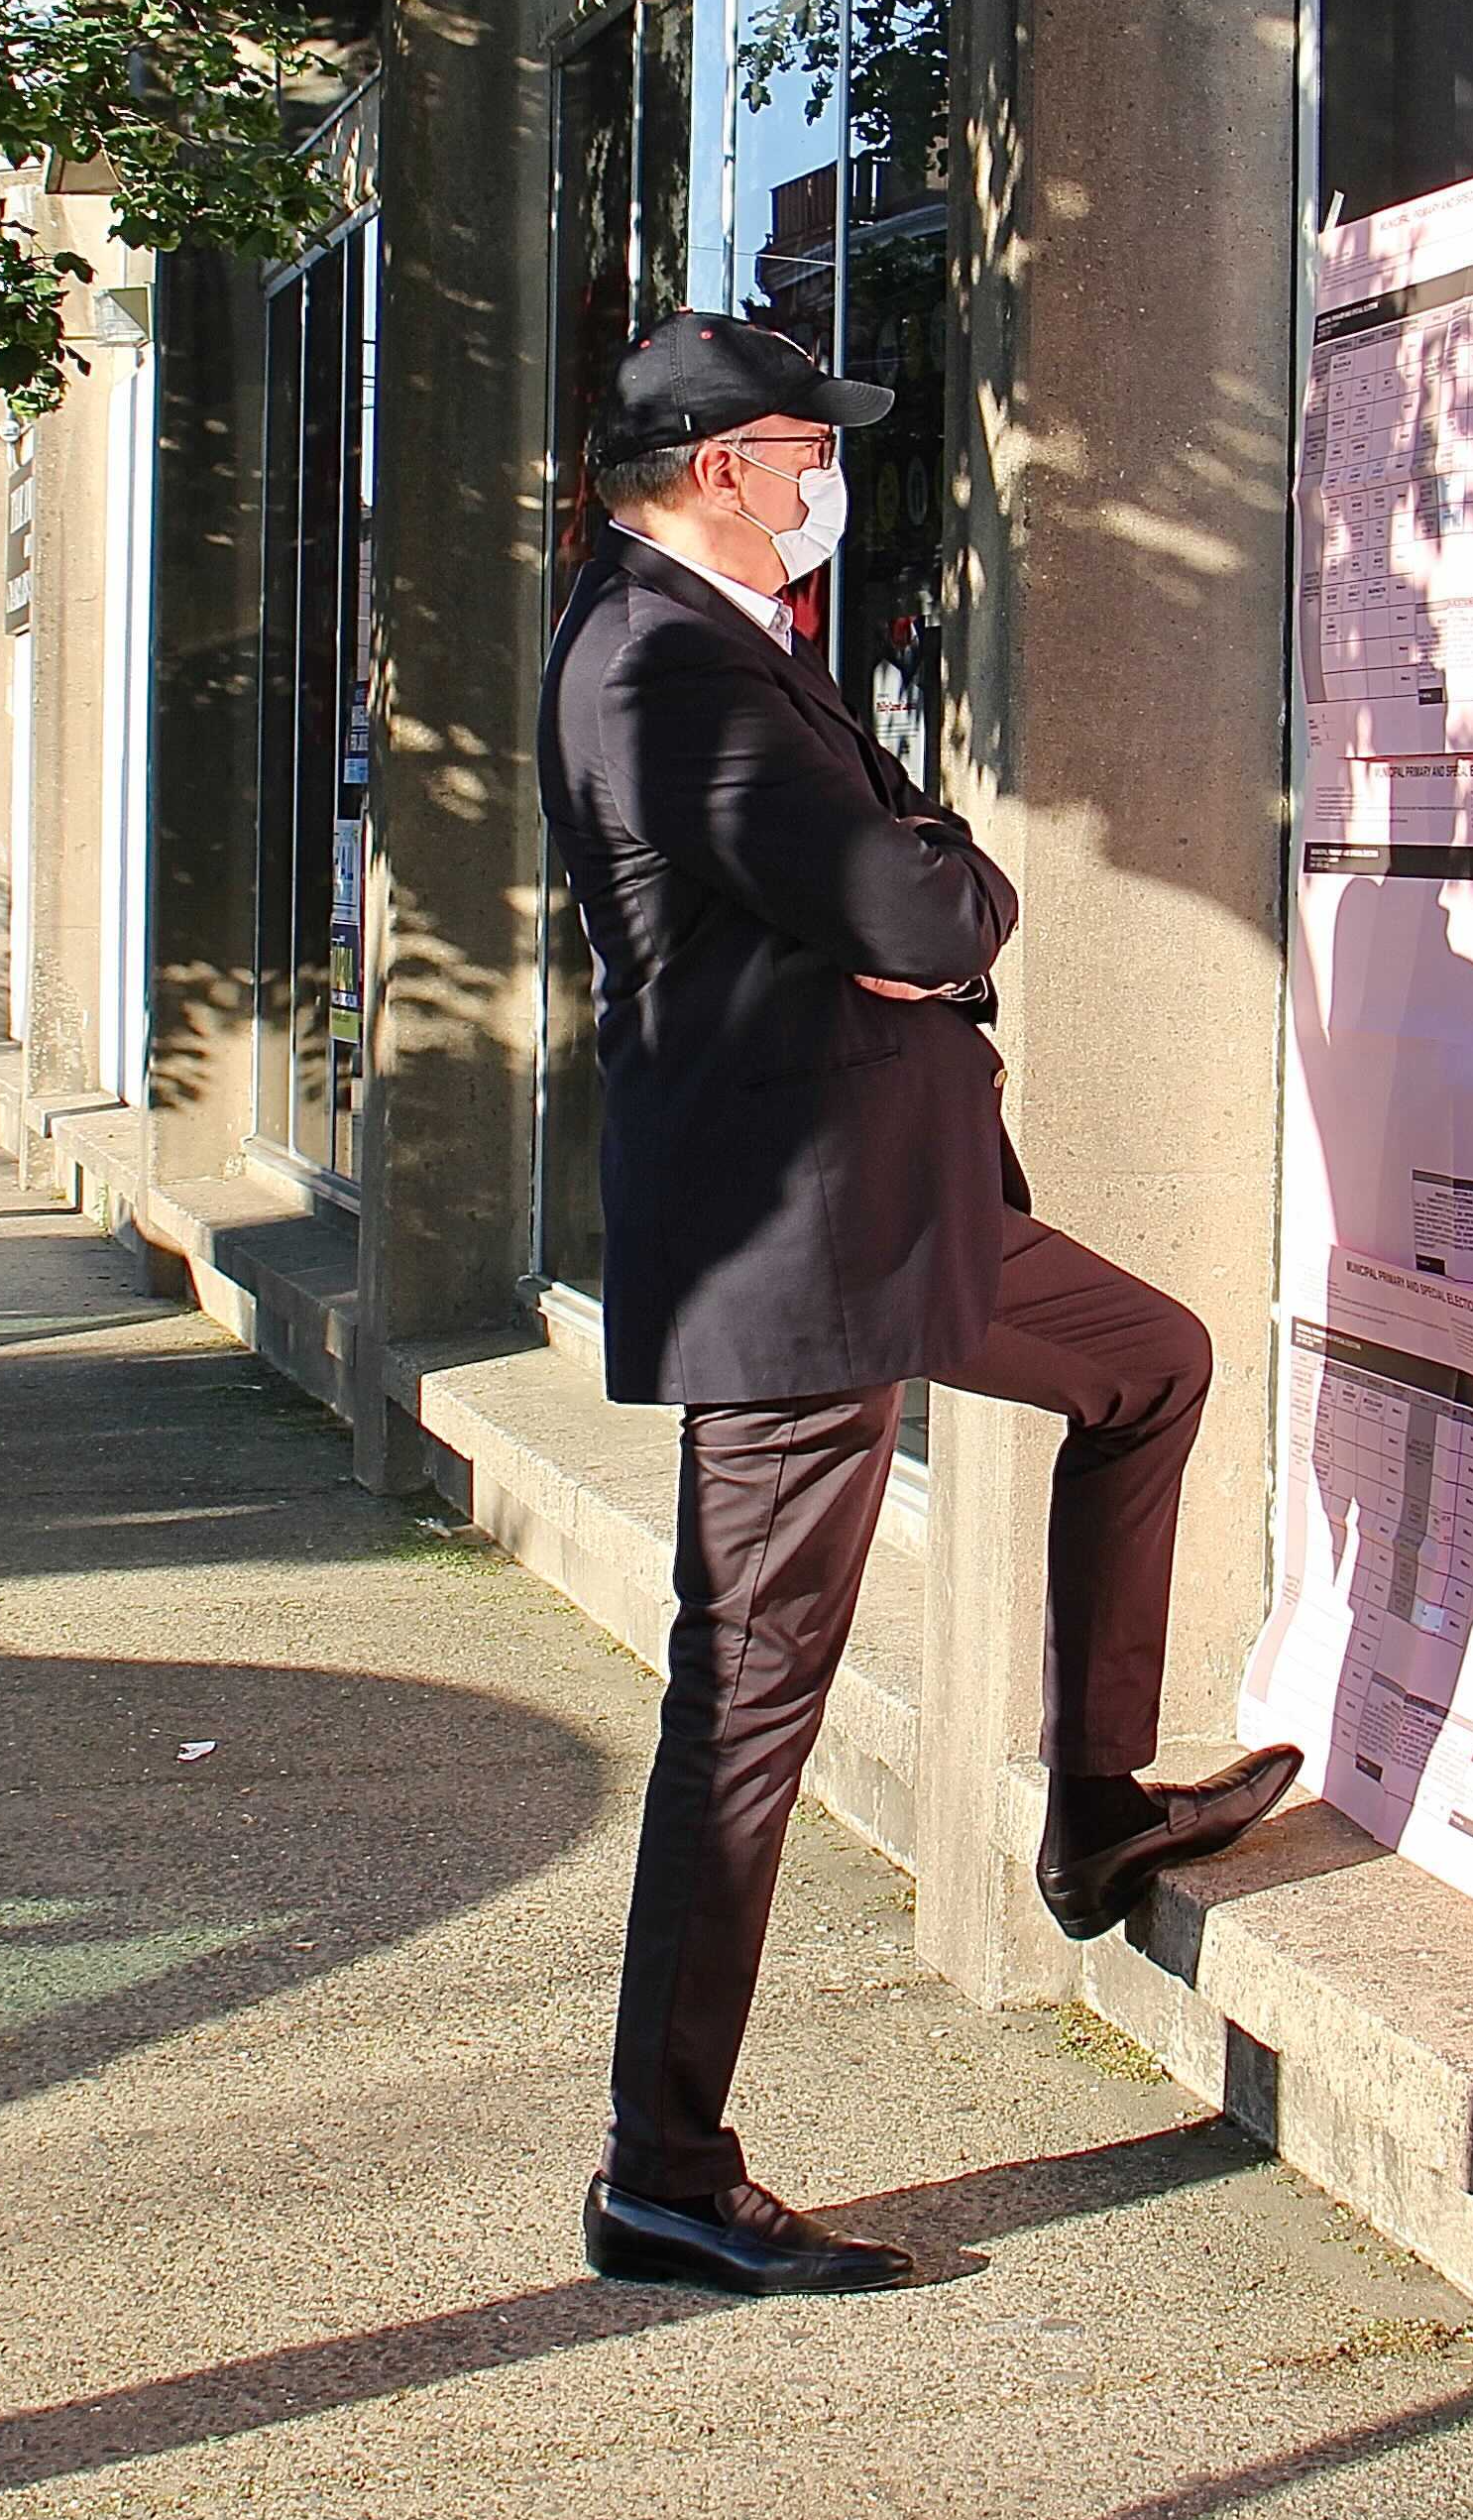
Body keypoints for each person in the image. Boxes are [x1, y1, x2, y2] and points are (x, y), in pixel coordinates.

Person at [538, 310, 1306, 2297]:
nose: (820, 483)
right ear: (720, 466)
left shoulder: (699, 642)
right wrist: (932, 893)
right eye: (805, 449)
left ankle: (1099, 1809)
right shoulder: (668, 661)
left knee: (1148, 1360)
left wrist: (923, 879)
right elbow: (914, 905)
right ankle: (664, 2168)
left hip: (890, 1205)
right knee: (750, 1706)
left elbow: (910, 875)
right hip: (800, 1250)